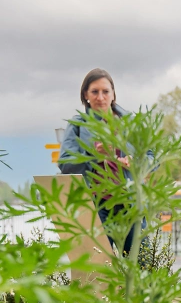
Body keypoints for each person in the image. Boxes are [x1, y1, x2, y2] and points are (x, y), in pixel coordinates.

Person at [58, 68, 153, 255]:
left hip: (130, 204)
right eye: (94, 91)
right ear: (85, 94)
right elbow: (65, 164)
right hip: (97, 207)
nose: (100, 97)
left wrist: (136, 164)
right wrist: (93, 154)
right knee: (96, 270)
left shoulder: (131, 122)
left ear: (113, 94)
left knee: (142, 267)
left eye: (105, 91)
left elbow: (151, 156)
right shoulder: (77, 125)